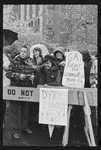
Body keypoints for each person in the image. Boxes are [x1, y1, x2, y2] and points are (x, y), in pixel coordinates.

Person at [6, 45, 36, 139]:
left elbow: (35, 72)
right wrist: (18, 76)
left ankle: (24, 127)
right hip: (16, 90)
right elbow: (8, 73)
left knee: (25, 110)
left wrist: (33, 77)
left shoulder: (31, 62)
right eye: (21, 51)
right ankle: (15, 130)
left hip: (27, 90)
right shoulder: (14, 61)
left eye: (25, 52)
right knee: (14, 111)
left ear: (28, 53)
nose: (23, 53)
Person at [39, 54, 64, 131]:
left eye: (48, 63)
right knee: (45, 108)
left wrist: (48, 85)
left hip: (55, 93)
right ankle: (45, 123)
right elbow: (36, 69)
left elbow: (58, 82)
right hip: (45, 93)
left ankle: (57, 125)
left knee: (54, 109)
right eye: (45, 63)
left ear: (52, 63)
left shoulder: (58, 69)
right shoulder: (43, 68)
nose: (46, 65)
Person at [73, 50, 93, 129]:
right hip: (79, 86)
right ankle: (78, 123)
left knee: (86, 106)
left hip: (86, 86)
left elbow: (87, 74)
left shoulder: (89, 63)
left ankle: (86, 124)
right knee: (78, 106)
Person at [3, 53, 10, 129]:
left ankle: (2, 120)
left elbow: (8, 68)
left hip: (3, 85)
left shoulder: (4, 57)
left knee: (2, 104)